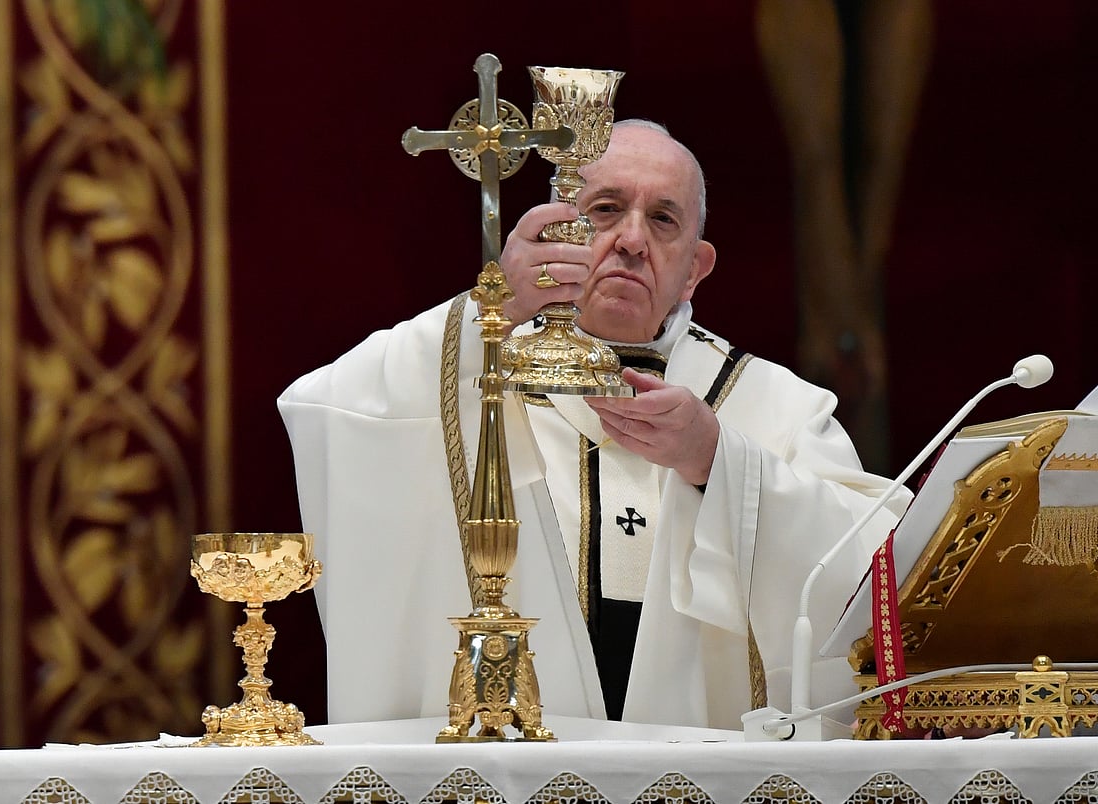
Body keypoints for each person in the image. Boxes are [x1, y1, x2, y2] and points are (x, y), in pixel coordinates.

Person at [277, 119, 911, 731]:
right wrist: (495, 305)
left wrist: (717, 461)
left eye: (663, 219)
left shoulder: (776, 407)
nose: (632, 240)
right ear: (559, 233)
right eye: (605, 209)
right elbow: (327, 406)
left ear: (695, 268)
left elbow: (879, 568)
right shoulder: (477, 361)